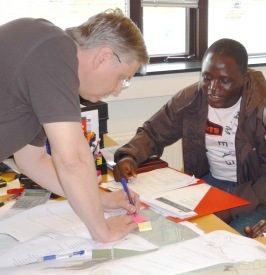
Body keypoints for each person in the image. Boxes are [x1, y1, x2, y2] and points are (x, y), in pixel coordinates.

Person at [0, 8, 149, 243]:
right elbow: (72, 160)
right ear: (103, 57)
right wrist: (103, 230)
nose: (119, 89)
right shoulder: (53, 49)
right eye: (123, 77)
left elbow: (33, 160)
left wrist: (101, 199)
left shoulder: (46, 59)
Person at [113, 38, 266, 236]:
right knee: (175, 228)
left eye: (224, 81)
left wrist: (231, 207)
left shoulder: (261, 109)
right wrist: (129, 156)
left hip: (255, 192)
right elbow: (153, 132)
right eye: (207, 77)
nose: (213, 88)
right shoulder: (192, 99)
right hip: (214, 183)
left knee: (233, 237)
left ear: (244, 80)